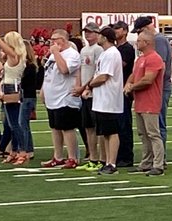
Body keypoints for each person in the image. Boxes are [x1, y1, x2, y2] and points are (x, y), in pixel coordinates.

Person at [0, 22, 34, 165]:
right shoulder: (12, 56)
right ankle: (14, 151)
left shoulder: (14, 54)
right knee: (11, 124)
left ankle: (22, 152)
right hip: (8, 88)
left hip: (13, 89)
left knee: (16, 124)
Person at [125, 28, 166, 175]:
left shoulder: (154, 58)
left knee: (153, 134)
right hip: (140, 101)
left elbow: (148, 80)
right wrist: (128, 84)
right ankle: (146, 162)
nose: (137, 43)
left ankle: (158, 164)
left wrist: (132, 87)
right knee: (143, 134)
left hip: (150, 101)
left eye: (139, 40)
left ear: (147, 42)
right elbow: (133, 75)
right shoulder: (141, 59)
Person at [39, 28, 82, 168]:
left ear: (62, 41)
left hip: (65, 97)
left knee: (67, 128)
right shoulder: (53, 55)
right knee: (55, 127)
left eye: (54, 39)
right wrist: (43, 90)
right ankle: (57, 156)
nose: (51, 42)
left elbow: (64, 70)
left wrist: (56, 53)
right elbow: (48, 73)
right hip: (52, 97)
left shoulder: (72, 54)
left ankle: (72, 157)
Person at [87, 26, 124, 174]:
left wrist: (89, 85)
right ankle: (107, 161)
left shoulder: (112, 53)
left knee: (112, 132)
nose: (98, 38)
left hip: (109, 99)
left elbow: (104, 76)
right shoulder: (105, 53)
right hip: (101, 99)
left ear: (105, 37)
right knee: (105, 133)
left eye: (100, 35)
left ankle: (112, 163)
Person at [132, 16, 172, 146]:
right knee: (153, 126)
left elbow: (159, 67)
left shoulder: (158, 41)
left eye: (139, 32)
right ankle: (156, 158)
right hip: (159, 87)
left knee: (156, 125)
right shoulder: (160, 39)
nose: (139, 37)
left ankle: (160, 158)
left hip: (159, 88)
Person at [75, 23, 105, 169]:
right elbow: (82, 69)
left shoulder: (98, 49)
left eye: (91, 32)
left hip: (94, 93)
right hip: (85, 93)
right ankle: (92, 157)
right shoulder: (84, 50)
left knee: (97, 127)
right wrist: (79, 86)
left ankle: (101, 157)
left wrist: (86, 87)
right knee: (87, 127)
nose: (88, 35)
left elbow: (97, 71)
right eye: (86, 32)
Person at [111, 22, 136, 167]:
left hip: (123, 91)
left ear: (125, 31)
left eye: (117, 29)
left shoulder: (127, 49)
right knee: (116, 124)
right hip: (115, 90)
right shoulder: (115, 49)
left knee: (124, 124)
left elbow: (119, 66)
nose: (115, 32)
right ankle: (118, 154)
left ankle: (126, 156)